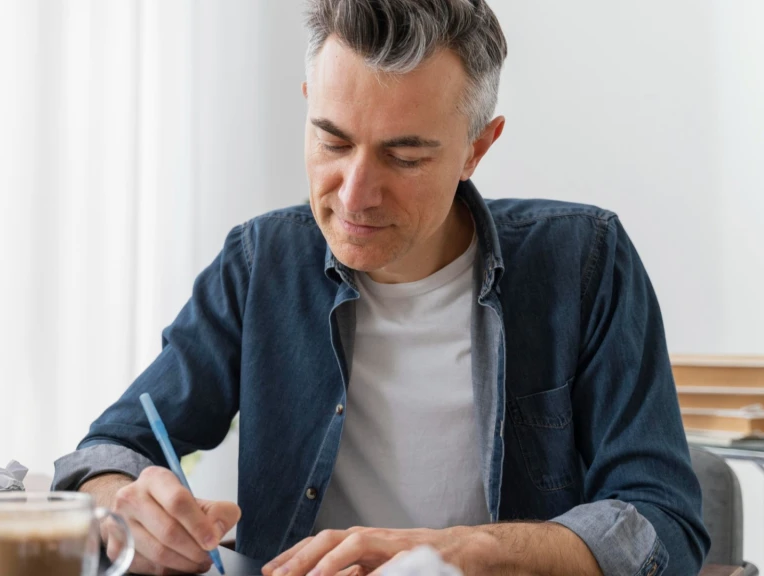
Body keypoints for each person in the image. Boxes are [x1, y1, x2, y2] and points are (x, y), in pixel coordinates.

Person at [52, 1, 709, 574]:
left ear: (477, 149)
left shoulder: (584, 264)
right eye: (332, 141)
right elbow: (111, 451)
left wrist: (466, 552)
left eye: (405, 156)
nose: (355, 194)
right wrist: (125, 504)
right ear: (309, 102)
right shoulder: (260, 264)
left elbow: (663, 524)